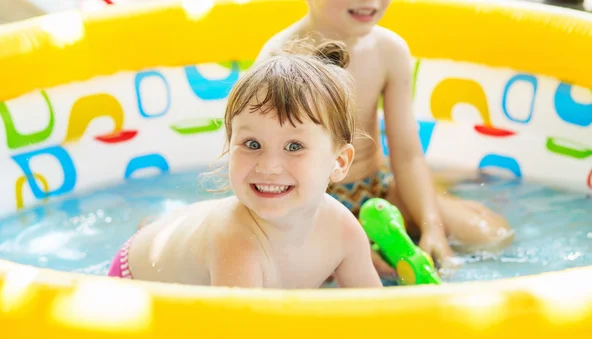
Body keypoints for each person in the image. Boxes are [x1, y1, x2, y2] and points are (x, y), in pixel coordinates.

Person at [256, 0, 514, 278]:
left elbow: (407, 155)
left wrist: (432, 228)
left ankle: (435, 199)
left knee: (492, 235)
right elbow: (270, 173)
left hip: (377, 191)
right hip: (308, 205)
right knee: (319, 272)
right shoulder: (279, 61)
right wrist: (346, 242)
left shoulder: (387, 51)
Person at [107, 41, 383, 289]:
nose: (269, 166)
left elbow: (378, 315)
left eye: (294, 147)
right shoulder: (238, 245)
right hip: (132, 287)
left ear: (339, 161)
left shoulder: (343, 230)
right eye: (252, 144)